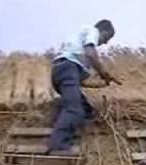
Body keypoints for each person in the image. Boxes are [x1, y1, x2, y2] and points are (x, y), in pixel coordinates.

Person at [49, 19, 118, 153]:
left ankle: (59, 120)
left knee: (86, 109)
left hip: (61, 72)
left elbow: (79, 82)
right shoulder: (92, 31)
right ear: (102, 30)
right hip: (66, 69)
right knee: (75, 109)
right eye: (107, 37)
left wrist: (101, 84)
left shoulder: (76, 50)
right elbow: (91, 53)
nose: (105, 42)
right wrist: (104, 73)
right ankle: (58, 145)